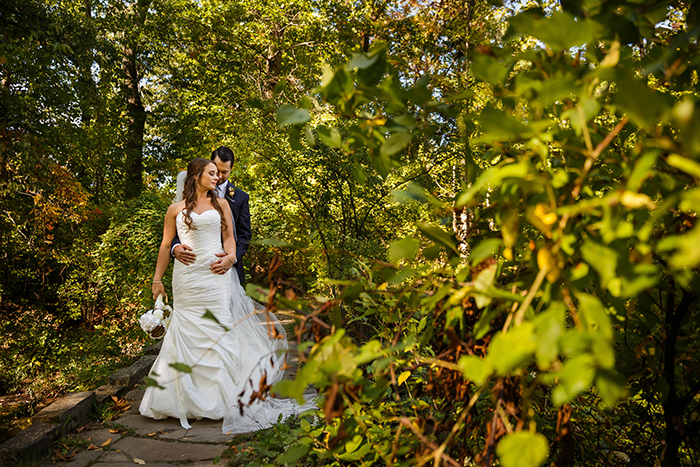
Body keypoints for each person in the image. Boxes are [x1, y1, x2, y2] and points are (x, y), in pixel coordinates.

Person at [140, 158, 312, 434]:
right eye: (211, 173)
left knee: (218, 328)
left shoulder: (222, 205)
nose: (216, 177)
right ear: (195, 176)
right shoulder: (174, 209)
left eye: (218, 173)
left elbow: (230, 237)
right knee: (184, 331)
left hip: (216, 275)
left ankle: (223, 401)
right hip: (186, 279)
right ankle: (178, 401)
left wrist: (230, 258)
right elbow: (165, 243)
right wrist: (157, 279)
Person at [172, 146, 251, 286]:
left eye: (224, 172)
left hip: (227, 269)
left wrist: (231, 258)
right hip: (193, 268)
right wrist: (175, 247)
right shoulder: (189, 193)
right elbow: (179, 224)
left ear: (232, 167)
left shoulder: (240, 197)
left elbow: (244, 235)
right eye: (216, 171)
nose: (219, 176)